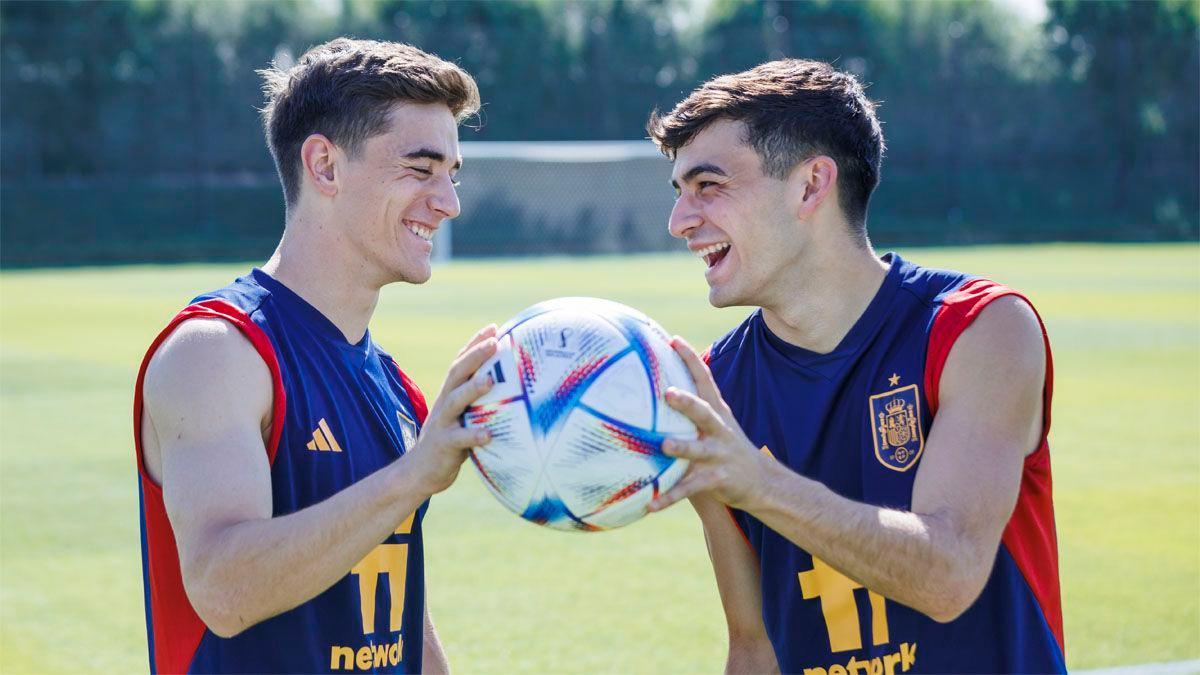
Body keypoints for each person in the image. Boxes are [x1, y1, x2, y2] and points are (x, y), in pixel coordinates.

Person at [643, 59, 1064, 673]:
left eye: (709, 186)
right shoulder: (714, 388)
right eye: (679, 192)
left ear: (811, 185)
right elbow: (754, 646)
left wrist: (759, 484)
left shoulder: (977, 329)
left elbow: (948, 573)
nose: (680, 221)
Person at [134, 39, 498, 674]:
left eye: (452, 174)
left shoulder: (395, 388)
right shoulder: (219, 352)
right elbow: (224, 589)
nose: (449, 202)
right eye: (420, 168)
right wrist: (415, 475)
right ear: (325, 166)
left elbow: (396, 609)